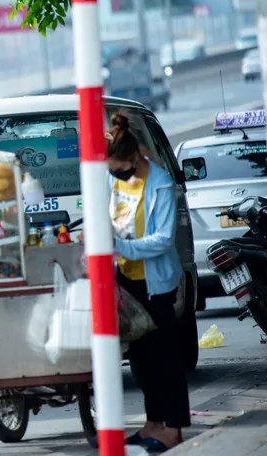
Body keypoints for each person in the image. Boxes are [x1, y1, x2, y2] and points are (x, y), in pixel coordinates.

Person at [107, 112, 189, 453]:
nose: (117, 174)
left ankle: (173, 428)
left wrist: (122, 247)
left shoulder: (159, 185)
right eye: (112, 170)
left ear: (134, 158)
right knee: (141, 360)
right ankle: (152, 422)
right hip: (128, 281)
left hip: (157, 285)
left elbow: (163, 239)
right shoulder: (118, 182)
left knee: (166, 359)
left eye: (120, 167)